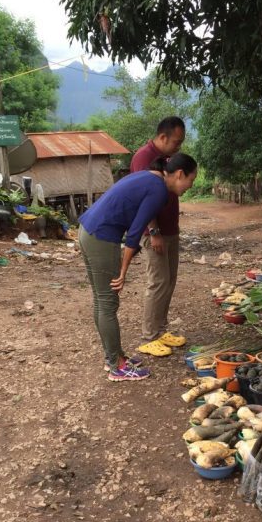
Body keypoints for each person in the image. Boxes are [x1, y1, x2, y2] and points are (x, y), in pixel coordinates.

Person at [78, 153, 197, 382]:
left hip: (89, 230)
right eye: (191, 180)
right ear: (180, 174)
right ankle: (117, 366)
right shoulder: (159, 190)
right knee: (108, 302)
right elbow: (134, 233)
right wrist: (123, 271)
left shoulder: (150, 177)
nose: (190, 187)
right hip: (101, 236)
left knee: (101, 301)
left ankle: (114, 357)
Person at [130, 116, 186, 344]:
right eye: (176, 141)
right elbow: (143, 199)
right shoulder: (143, 157)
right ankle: (150, 335)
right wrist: (153, 231)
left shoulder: (167, 158)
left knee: (170, 279)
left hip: (171, 229)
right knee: (158, 281)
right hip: (155, 233)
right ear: (163, 137)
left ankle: (162, 329)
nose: (178, 146)